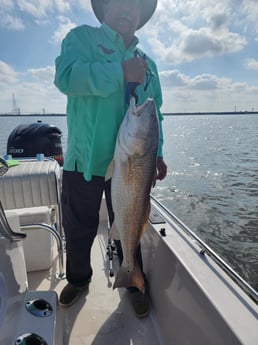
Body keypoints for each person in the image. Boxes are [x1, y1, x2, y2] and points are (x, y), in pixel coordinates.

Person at [54, 0, 167, 318]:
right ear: (104, 9)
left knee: (130, 219)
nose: (127, 9)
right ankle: (78, 280)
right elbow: (67, 78)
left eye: (134, 6)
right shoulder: (82, 39)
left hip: (133, 163)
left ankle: (132, 280)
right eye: (118, 2)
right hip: (84, 161)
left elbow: (154, 111)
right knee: (79, 229)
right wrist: (119, 72)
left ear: (140, 16)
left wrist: (157, 154)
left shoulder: (148, 63)